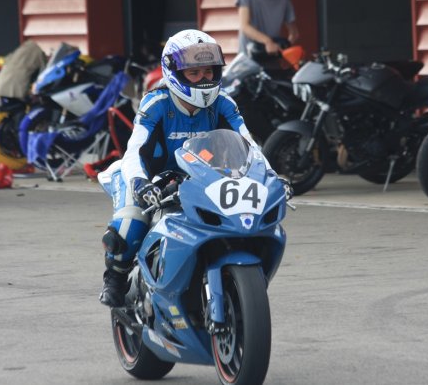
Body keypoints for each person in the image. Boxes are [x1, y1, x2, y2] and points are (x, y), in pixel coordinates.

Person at [97, 29, 289, 308]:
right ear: (174, 72)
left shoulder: (223, 103)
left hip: (200, 178)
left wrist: (270, 176)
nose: (203, 78)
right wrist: (139, 182)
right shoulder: (156, 103)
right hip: (148, 178)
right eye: (194, 73)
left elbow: (250, 146)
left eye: (208, 71)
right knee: (130, 223)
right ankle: (114, 278)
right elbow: (135, 151)